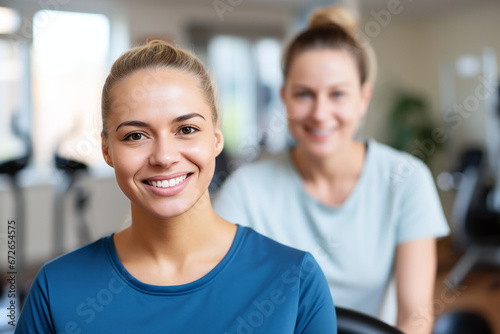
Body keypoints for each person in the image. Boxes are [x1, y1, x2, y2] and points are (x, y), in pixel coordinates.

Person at [15, 40, 336, 333]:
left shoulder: (295, 280)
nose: (164, 157)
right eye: (135, 135)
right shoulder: (55, 289)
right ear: (107, 150)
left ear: (216, 139)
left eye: (186, 129)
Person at [214, 6, 449, 334]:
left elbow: (415, 318)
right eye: (304, 94)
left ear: (363, 98)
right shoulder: (246, 189)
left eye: (337, 94)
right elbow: (221, 299)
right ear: (284, 97)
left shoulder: (406, 179)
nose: (320, 113)